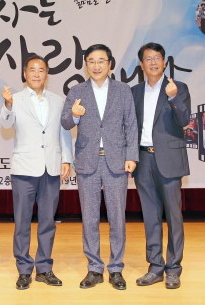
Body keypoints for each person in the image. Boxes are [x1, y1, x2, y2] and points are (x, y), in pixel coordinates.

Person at [61, 44, 138, 290]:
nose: (96, 66)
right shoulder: (77, 91)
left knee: (117, 217)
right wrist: (74, 115)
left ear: (110, 64)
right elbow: (65, 122)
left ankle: (116, 269)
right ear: (86, 65)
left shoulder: (123, 90)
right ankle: (94, 268)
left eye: (101, 61)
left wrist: (132, 156)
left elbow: (131, 124)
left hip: (116, 161)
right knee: (90, 218)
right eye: (91, 61)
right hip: (88, 161)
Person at [0, 54, 72, 290]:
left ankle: (44, 268)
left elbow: (63, 132)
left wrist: (66, 159)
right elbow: (6, 124)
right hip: (24, 169)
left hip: (51, 167)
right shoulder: (15, 99)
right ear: (24, 74)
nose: (37, 74)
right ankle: (23, 269)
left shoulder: (58, 100)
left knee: (48, 221)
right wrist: (7, 105)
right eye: (32, 70)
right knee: (22, 222)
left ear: (46, 74)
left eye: (41, 70)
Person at [130, 43, 190, 289]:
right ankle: (155, 267)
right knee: (150, 216)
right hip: (143, 159)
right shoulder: (134, 92)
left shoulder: (178, 88)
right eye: (148, 58)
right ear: (141, 64)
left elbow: (184, 120)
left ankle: (173, 269)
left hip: (169, 160)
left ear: (164, 62)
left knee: (174, 216)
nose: (153, 62)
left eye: (157, 58)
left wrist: (173, 97)